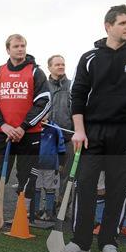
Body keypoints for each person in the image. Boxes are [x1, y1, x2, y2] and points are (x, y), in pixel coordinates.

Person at [63, 4, 126, 252]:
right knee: (85, 185)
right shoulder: (89, 58)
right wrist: (79, 131)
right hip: (92, 132)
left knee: (118, 188)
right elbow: (78, 95)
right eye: (123, 23)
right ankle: (81, 241)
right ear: (108, 26)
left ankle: (108, 241)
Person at [0, 34, 50, 227]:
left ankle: (22, 218)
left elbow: (44, 101)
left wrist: (23, 127)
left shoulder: (36, 72)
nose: (20, 49)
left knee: (27, 176)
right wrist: (3, 125)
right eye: (16, 46)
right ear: (8, 49)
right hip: (2, 133)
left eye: (23, 45)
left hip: (29, 134)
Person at [46, 54, 74, 207]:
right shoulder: (43, 86)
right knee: (47, 173)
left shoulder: (72, 85)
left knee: (67, 175)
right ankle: (47, 205)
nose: (61, 66)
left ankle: (63, 205)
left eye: (62, 64)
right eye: (57, 64)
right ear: (49, 67)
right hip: (48, 139)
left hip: (68, 138)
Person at [34, 118, 66, 221]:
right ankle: (35, 211)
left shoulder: (55, 129)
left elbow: (61, 148)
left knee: (50, 188)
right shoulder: (33, 127)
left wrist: (61, 164)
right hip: (35, 165)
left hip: (51, 166)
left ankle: (49, 212)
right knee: (36, 188)